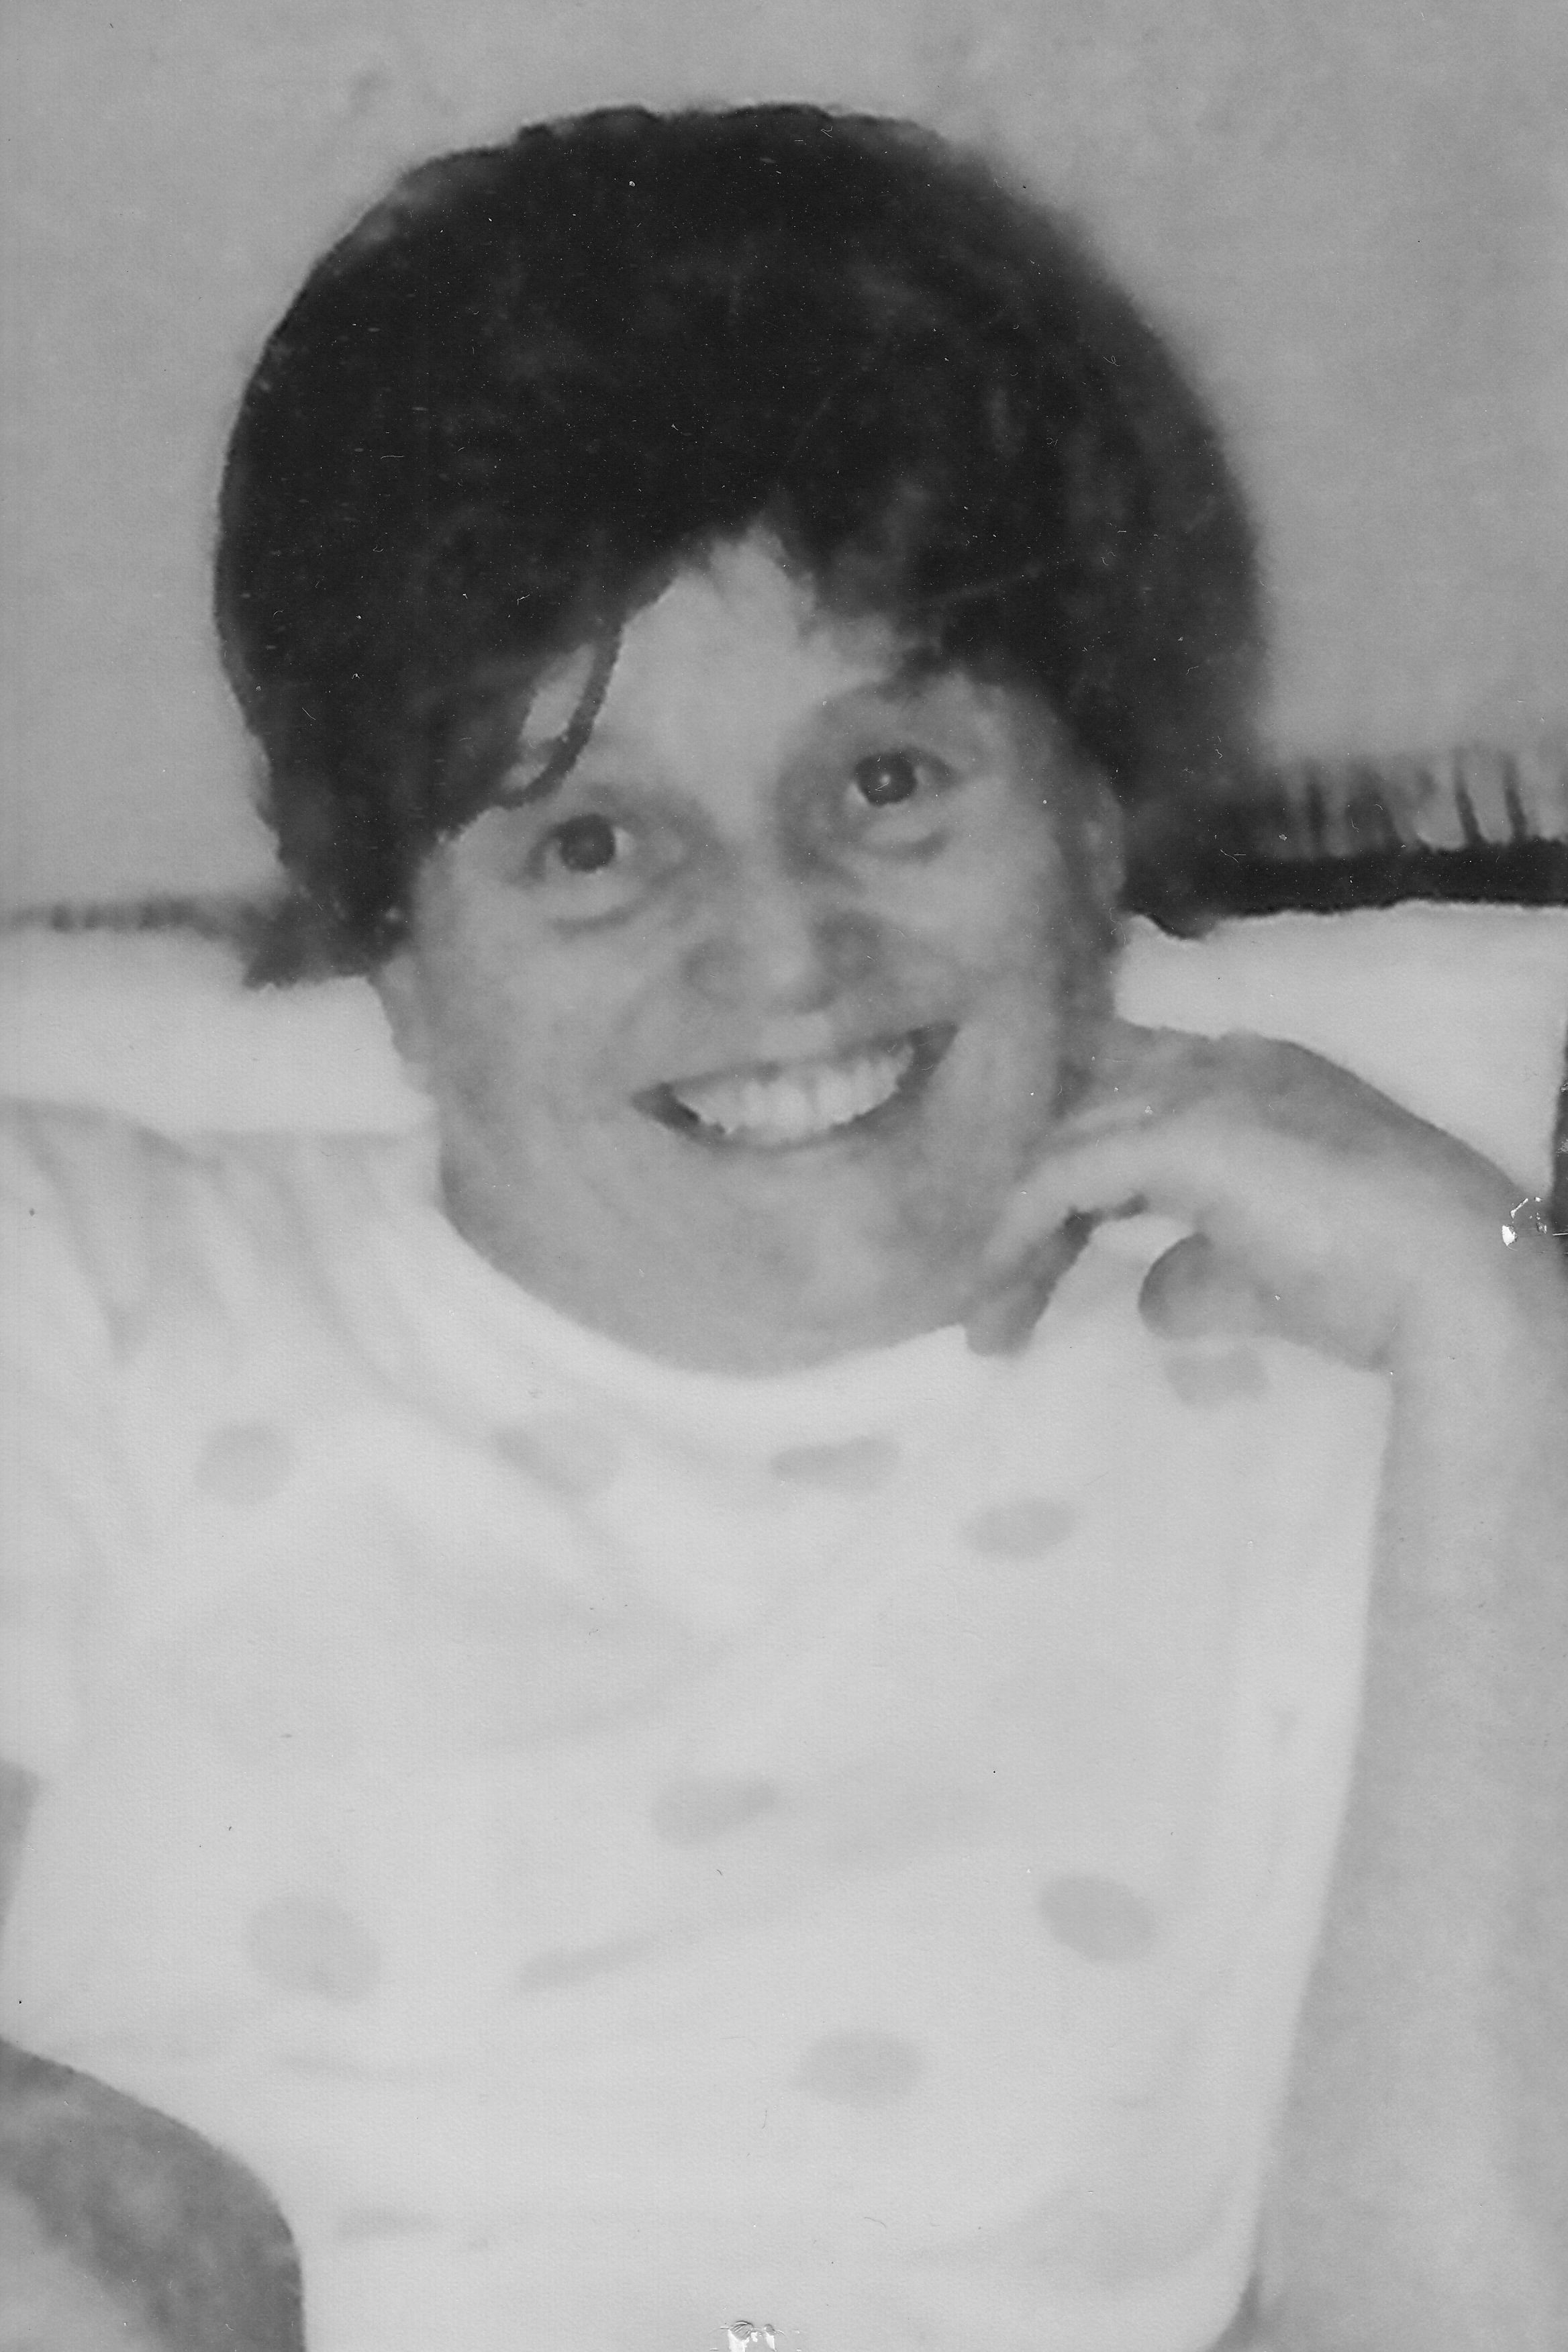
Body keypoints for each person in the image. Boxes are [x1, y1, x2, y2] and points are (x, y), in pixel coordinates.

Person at [1, 103, 1565, 2352]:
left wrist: (1500, 1332)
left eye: (887, 782)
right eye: (590, 845)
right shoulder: (84, 1286)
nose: (782, 952)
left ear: (1093, 816)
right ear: (390, 947)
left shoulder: (1370, 1453)